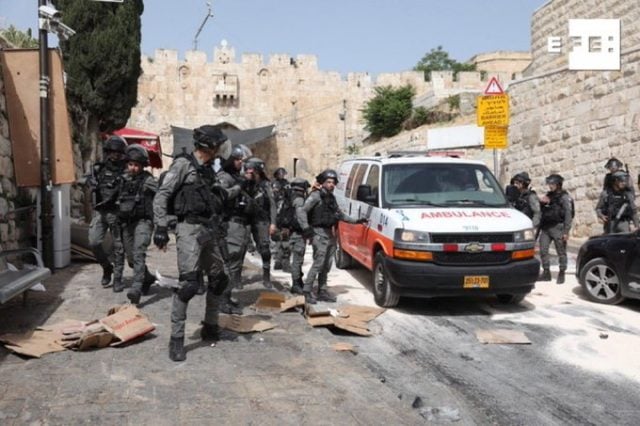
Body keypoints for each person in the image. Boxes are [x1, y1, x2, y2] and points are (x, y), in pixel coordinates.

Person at [152, 125, 231, 362]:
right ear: (207, 146)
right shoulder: (183, 165)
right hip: (188, 229)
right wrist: (161, 226)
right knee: (188, 285)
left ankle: (210, 325)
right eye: (217, 144)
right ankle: (176, 339)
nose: (220, 149)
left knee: (219, 280)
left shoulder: (208, 169)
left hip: (208, 229)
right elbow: (162, 194)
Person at [302, 169, 367, 304]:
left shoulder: (331, 198)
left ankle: (322, 291)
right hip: (318, 233)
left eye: (333, 182)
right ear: (322, 183)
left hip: (329, 233)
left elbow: (339, 214)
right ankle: (307, 291)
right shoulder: (315, 196)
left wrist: (356, 221)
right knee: (318, 264)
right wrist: (306, 229)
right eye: (328, 182)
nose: (331, 185)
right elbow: (302, 211)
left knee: (327, 265)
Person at [113, 144, 158, 301]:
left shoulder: (148, 180)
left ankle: (136, 288)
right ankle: (148, 278)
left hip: (144, 221)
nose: (133, 168)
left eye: (136, 165)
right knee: (131, 259)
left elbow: (163, 193)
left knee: (139, 253)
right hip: (127, 223)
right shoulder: (122, 180)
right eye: (130, 164)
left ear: (142, 166)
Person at [217, 144, 254, 315]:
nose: (241, 163)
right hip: (229, 224)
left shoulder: (235, 176)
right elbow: (221, 196)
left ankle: (227, 296)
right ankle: (221, 300)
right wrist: (239, 186)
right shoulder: (224, 177)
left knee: (237, 263)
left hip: (240, 224)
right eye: (239, 160)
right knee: (230, 262)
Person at [88, 135, 127, 289]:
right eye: (112, 152)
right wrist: (90, 182)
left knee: (119, 247)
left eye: (118, 152)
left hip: (117, 212)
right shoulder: (98, 168)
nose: (115, 155)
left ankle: (118, 278)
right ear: (107, 152)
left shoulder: (126, 170)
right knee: (94, 242)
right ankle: (106, 267)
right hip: (100, 211)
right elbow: (84, 180)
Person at [245, 157, 277, 289]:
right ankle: (236, 278)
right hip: (245, 220)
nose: (248, 172)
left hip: (261, 220)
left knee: (264, 248)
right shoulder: (244, 183)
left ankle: (266, 276)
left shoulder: (265, 185)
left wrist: (273, 223)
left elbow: (272, 205)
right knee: (241, 248)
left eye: (251, 170)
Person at [538, 174, 573, 284]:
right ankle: (546, 272)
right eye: (549, 184)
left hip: (558, 227)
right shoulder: (549, 195)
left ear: (558, 184)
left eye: (552, 184)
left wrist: (566, 231)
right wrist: (542, 203)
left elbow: (568, 214)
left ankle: (562, 272)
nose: (550, 186)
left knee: (561, 251)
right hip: (546, 227)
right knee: (543, 250)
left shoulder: (564, 197)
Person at [281, 177, 311, 294]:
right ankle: (295, 284)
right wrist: (306, 229)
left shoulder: (291, 196)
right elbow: (300, 214)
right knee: (298, 259)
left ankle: (298, 281)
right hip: (297, 233)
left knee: (298, 258)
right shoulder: (298, 199)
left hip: (293, 231)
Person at [272, 167, 291, 272]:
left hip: (284, 213)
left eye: (283, 174)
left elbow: (289, 197)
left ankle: (279, 261)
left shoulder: (287, 184)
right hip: (278, 214)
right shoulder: (274, 185)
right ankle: (281, 262)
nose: (282, 175)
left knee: (283, 238)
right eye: (280, 174)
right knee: (281, 240)